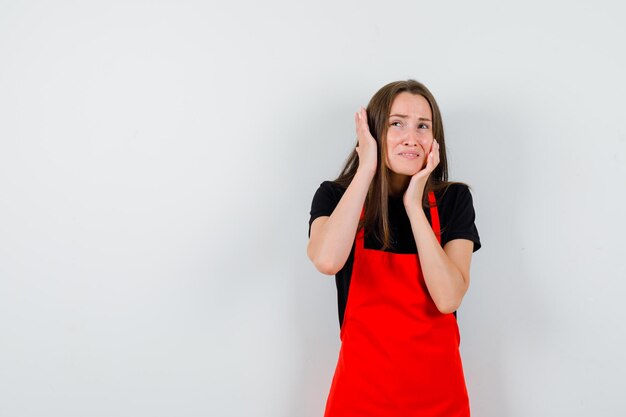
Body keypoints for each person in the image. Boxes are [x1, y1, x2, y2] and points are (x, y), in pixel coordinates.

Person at [307, 79, 481, 416]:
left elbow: (448, 298)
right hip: (359, 400)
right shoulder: (335, 196)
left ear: (435, 138)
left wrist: (414, 206)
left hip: (439, 401)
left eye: (423, 126)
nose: (411, 138)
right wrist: (367, 169)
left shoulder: (453, 200)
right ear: (372, 132)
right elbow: (327, 260)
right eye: (396, 124)